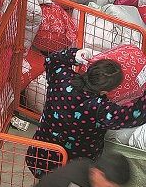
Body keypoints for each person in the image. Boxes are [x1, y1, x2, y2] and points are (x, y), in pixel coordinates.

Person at [26, 46, 146, 175]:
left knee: (47, 185)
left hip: (40, 155)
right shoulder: (99, 108)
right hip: (72, 167)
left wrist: (73, 55)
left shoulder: (62, 79)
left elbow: (52, 60)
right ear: (105, 91)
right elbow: (133, 116)